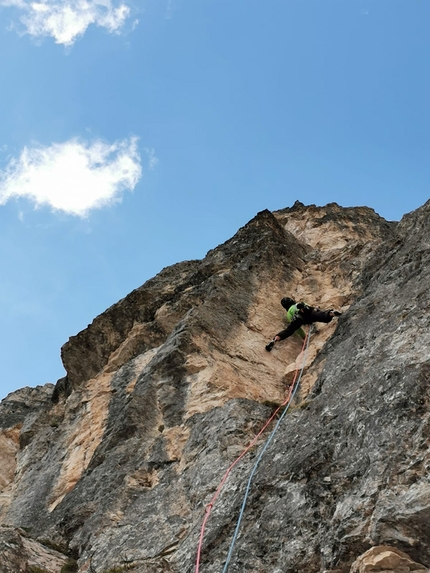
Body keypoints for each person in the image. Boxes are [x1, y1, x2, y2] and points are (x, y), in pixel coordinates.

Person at [265, 298, 342, 351]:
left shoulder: (288, 314)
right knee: (322, 316)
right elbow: (313, 309)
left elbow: (297, 329)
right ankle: (331, 313)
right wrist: (316, 309)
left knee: (288, 331)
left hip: (298, 318)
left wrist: (304, 336)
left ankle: (274, 340)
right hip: (307, 311)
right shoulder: (298, 304)